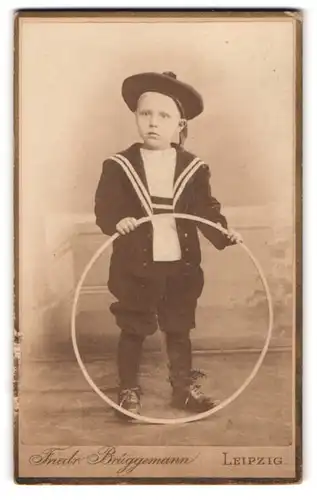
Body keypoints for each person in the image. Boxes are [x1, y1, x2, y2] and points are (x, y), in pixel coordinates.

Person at [94, 71, 242, 419]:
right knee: (134, 328)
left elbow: (206, 210)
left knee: (178, 328)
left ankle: (182, 390)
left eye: (164, 116)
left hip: (180, 263)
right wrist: (118, 221)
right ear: (135, 118)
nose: (153, 123)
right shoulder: (119, 166)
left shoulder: (193, 167)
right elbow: (106, 207)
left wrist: (223, 232)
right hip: (136, 264)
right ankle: (129, 391)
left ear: (180, 124)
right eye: (145, 114)